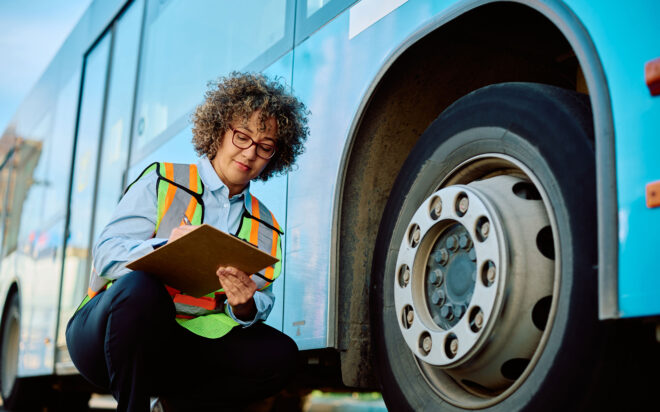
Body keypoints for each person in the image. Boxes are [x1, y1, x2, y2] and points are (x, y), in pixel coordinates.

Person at [66, 72, 309, 412]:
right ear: (220, 130)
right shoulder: (162, 180)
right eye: (242, 136)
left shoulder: (266, 225)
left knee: (281, 356)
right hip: (109, 334)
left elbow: (262, 301)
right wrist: (163, 248)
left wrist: (245, 307)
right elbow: (107, 252)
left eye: (264, 146)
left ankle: (172, 406)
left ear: (274, 156)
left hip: (184, 348)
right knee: (140, 288)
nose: (250, 152)